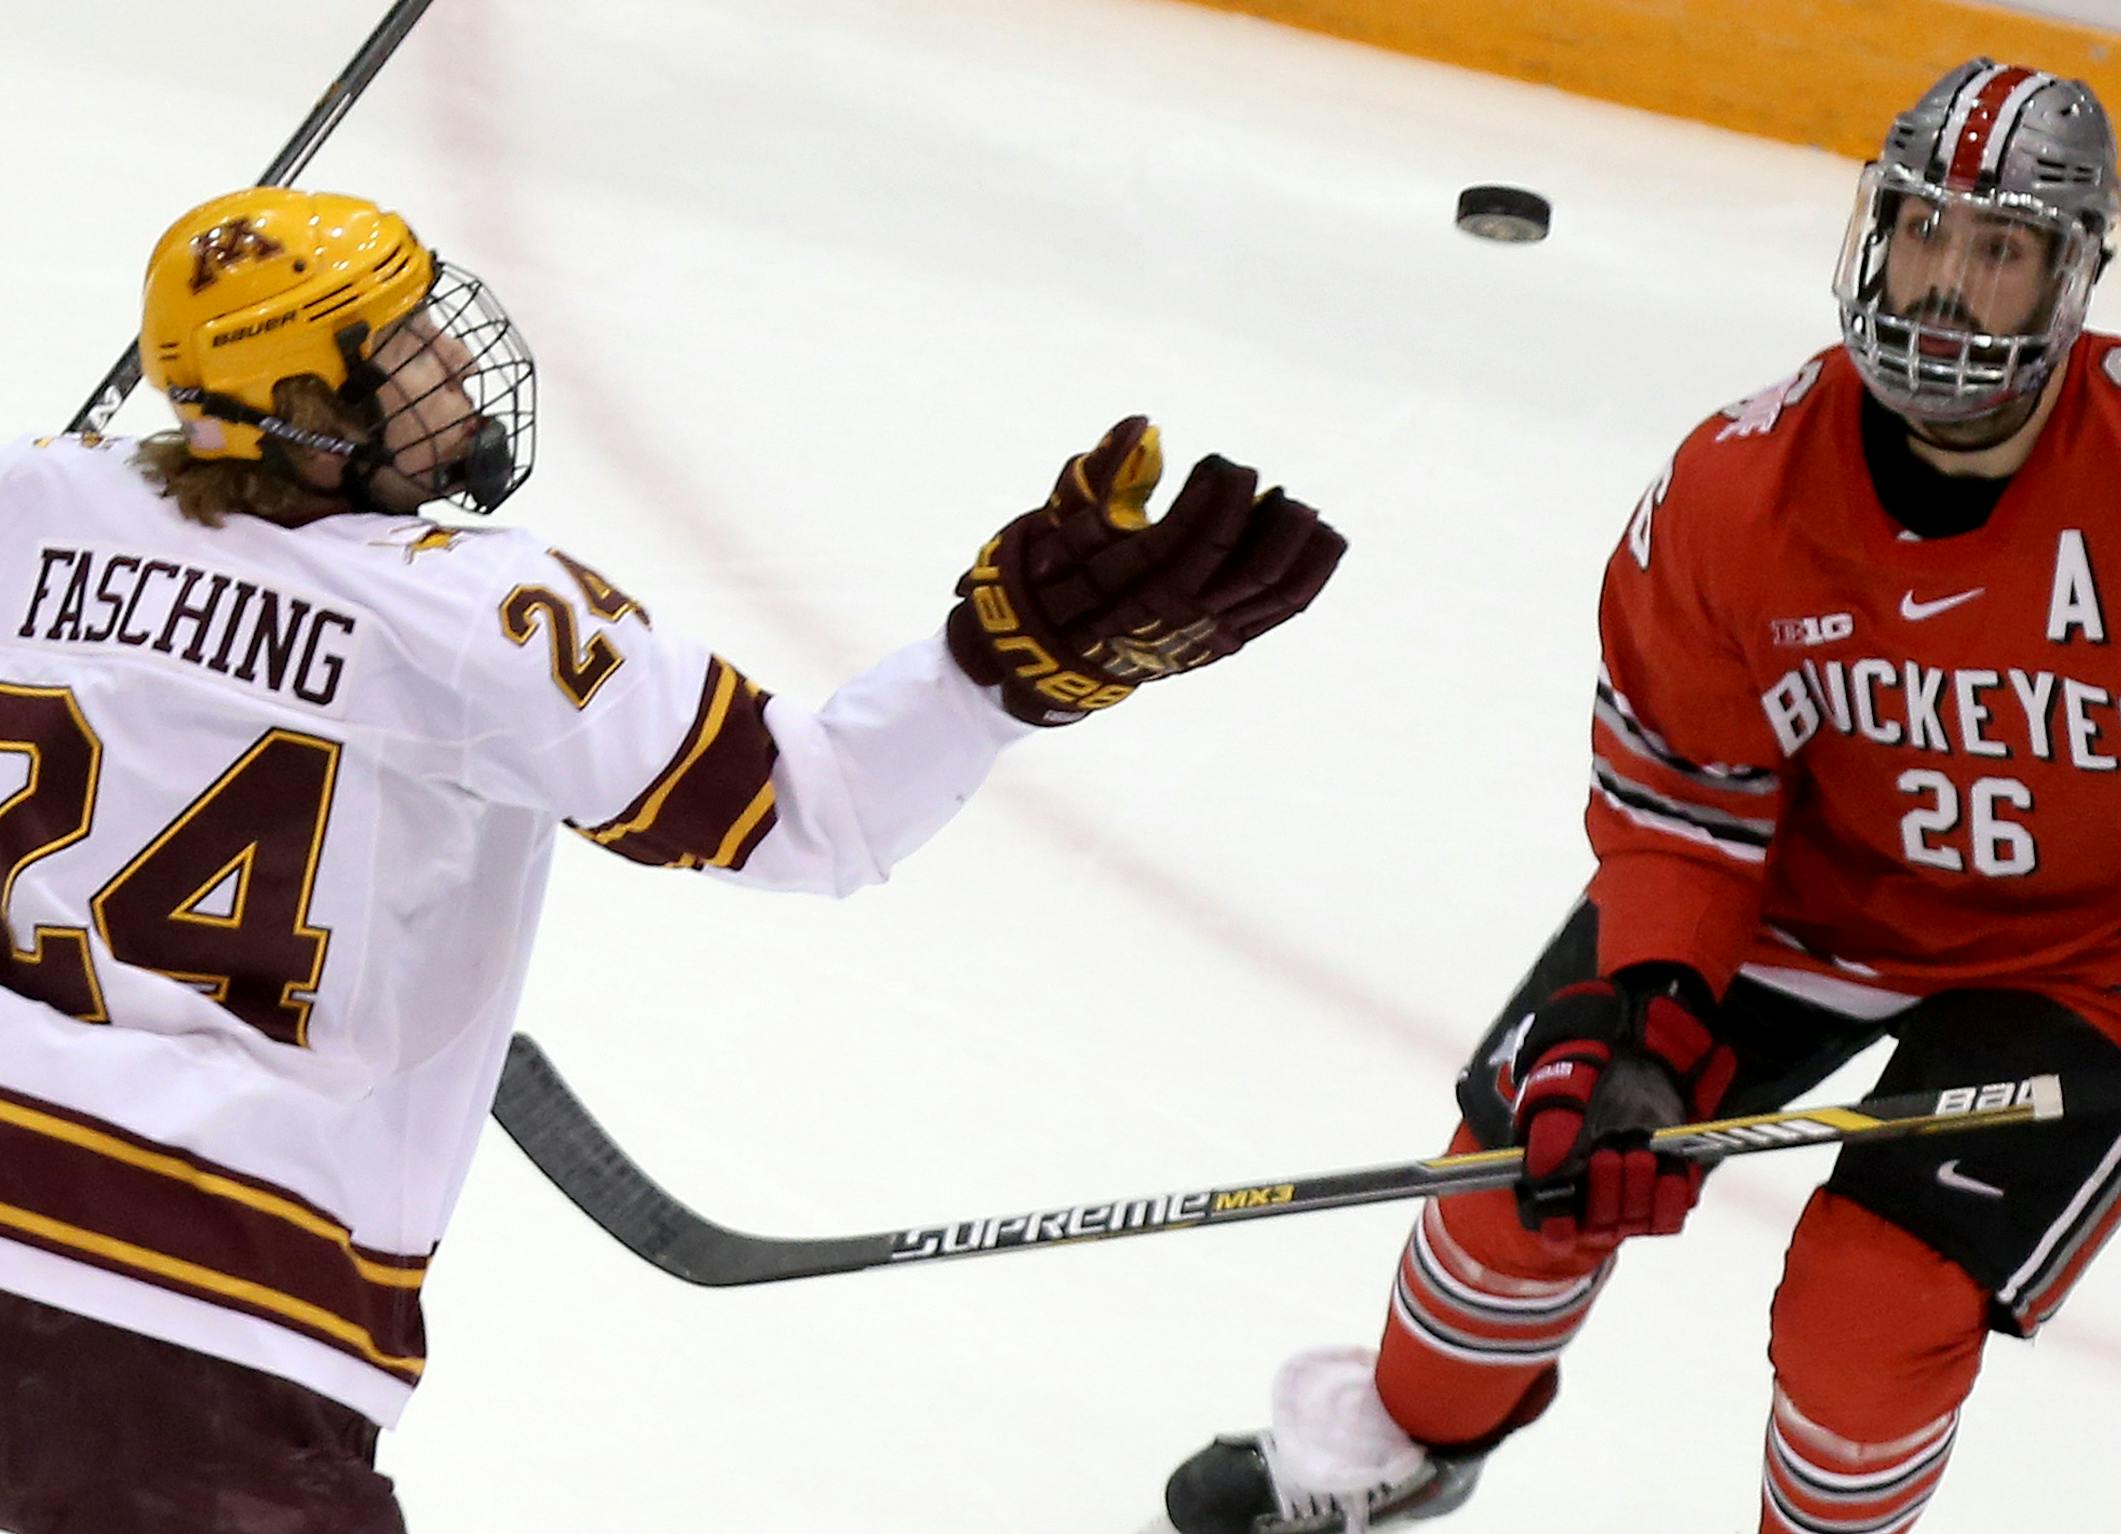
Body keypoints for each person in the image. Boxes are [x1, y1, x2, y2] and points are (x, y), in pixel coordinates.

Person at [0, 186, 1344, 1532]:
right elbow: (813, 810)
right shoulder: (477, 614)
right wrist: (997, 669)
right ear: (309, 408)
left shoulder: (38, 498)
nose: (455, 358)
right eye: (406, 344)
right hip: (200, 1317)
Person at [1163, 57, 2121, 1534]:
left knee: (1873, 1305)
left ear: (2071, 278)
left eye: (1998, 249)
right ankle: (1414, 1440)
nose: (1946, 285)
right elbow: (1683, 800)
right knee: (1523, 1166)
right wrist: (1645, 1009)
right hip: (1798, 907)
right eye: (1923, 231)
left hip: (2096, 965)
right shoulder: (1738, 489)